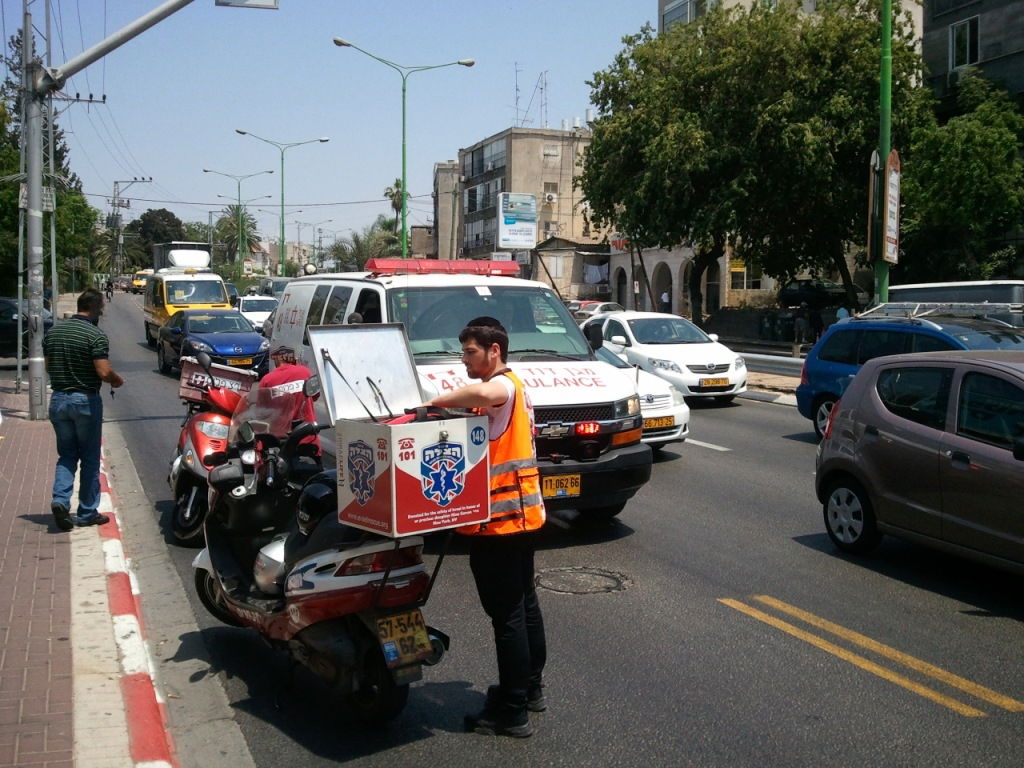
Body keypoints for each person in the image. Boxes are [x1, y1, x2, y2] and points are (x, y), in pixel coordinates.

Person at [424, 317, 547, 739]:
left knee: (508, 613)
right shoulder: (506, 391)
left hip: (502, 520)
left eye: (470, 352)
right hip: (520, 516)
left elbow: (484, 390)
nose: (464, 360)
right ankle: (529, 688)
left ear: (494, 351)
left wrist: (433, 401)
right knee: (524, 603)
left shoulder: (504, 385)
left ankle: (512, 710)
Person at [43, 288, 125, 530]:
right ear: (96, 308)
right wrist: (116, 380)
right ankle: (88, 512)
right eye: (102, 307)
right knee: (89, 458)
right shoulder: (95, 335)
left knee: (67, 454)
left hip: (58, 400)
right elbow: (102, 371)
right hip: (85, 402)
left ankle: (60, 500)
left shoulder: (54, 333)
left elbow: (49, 366)